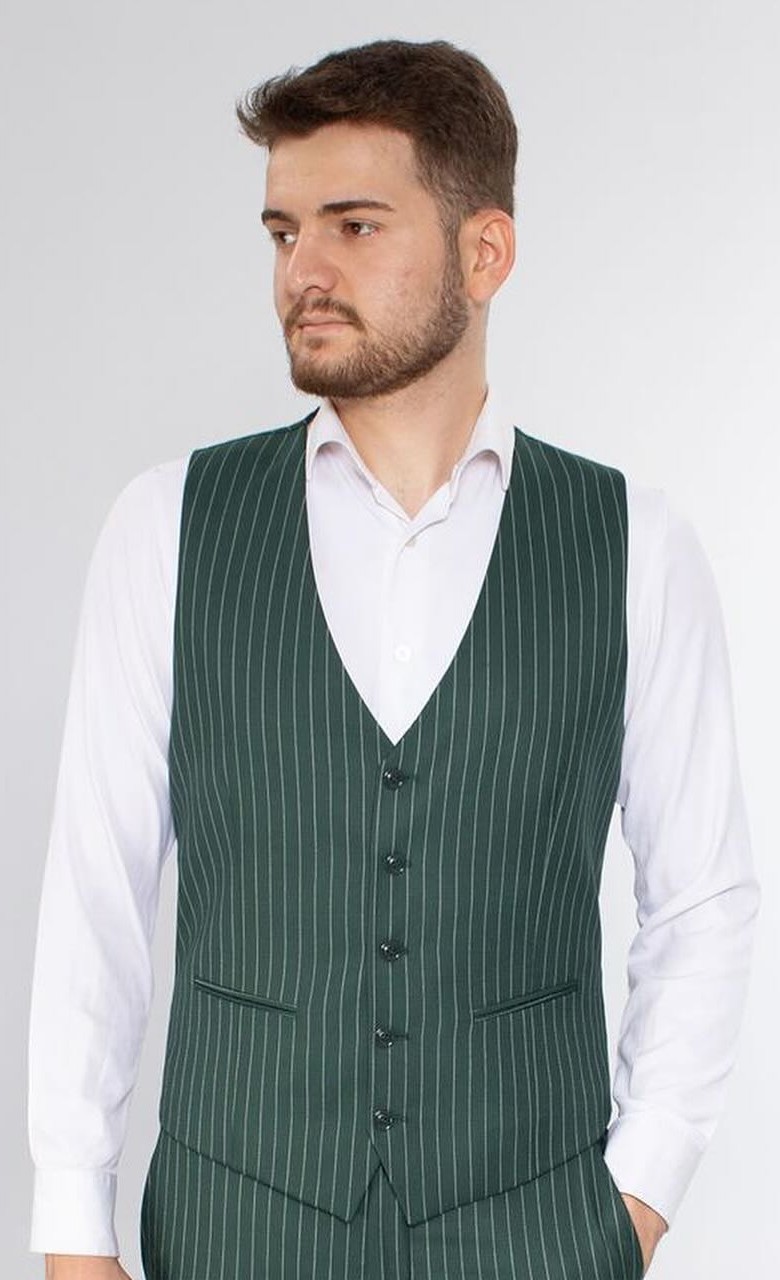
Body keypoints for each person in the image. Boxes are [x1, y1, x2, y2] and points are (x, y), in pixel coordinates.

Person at [28, 37, 760, 1280]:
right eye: (282, 232)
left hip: (535, 1230)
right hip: (233, 1222)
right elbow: (95, 898)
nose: (302, 272)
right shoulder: (168, 526)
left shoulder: (635, 544)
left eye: (354, 226)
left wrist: (633, 1199)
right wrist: (72, 1231)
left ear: (487, 252)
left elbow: (703, 902)